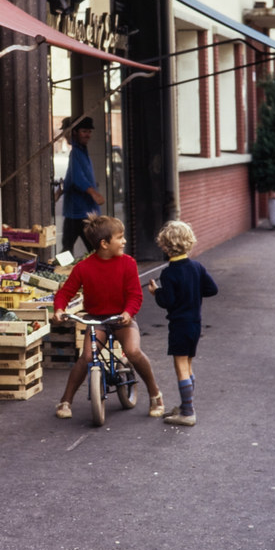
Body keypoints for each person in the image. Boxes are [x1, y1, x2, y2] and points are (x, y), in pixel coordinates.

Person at [52, 214, 164, 419]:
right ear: (104, 243)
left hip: (122, 318)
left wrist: (128, 313)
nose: (124, 241)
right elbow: (64, 293)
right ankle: (65, 400)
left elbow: (134, 295)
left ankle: (155, 394)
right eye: (120, 237)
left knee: (132, 351)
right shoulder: (83, 267)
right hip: (96, 319)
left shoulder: (128, 263)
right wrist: (59, 309)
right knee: (86, 358)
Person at [148, 220, 218, 427]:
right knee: (188, 365)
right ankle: (186, 404)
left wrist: (156, 292)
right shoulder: (197, 267)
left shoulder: (169, 273)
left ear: (165, 246)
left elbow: (167, 302)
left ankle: (188, 412)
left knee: (180, 367)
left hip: (179, 325)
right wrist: (195, 291)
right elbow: (212, 289)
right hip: (195, 324)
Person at [60, 116, 104, 255]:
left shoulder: (81, 151)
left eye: (89, 132)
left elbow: (75, 178)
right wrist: (93, 193)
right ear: (75, 132)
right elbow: (76, 179)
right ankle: (62, 272)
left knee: (88, 248)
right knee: (68, 249)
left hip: (83, 213)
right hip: (77, 213)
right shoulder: (76, 152)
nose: (88, 135)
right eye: (84, 131)